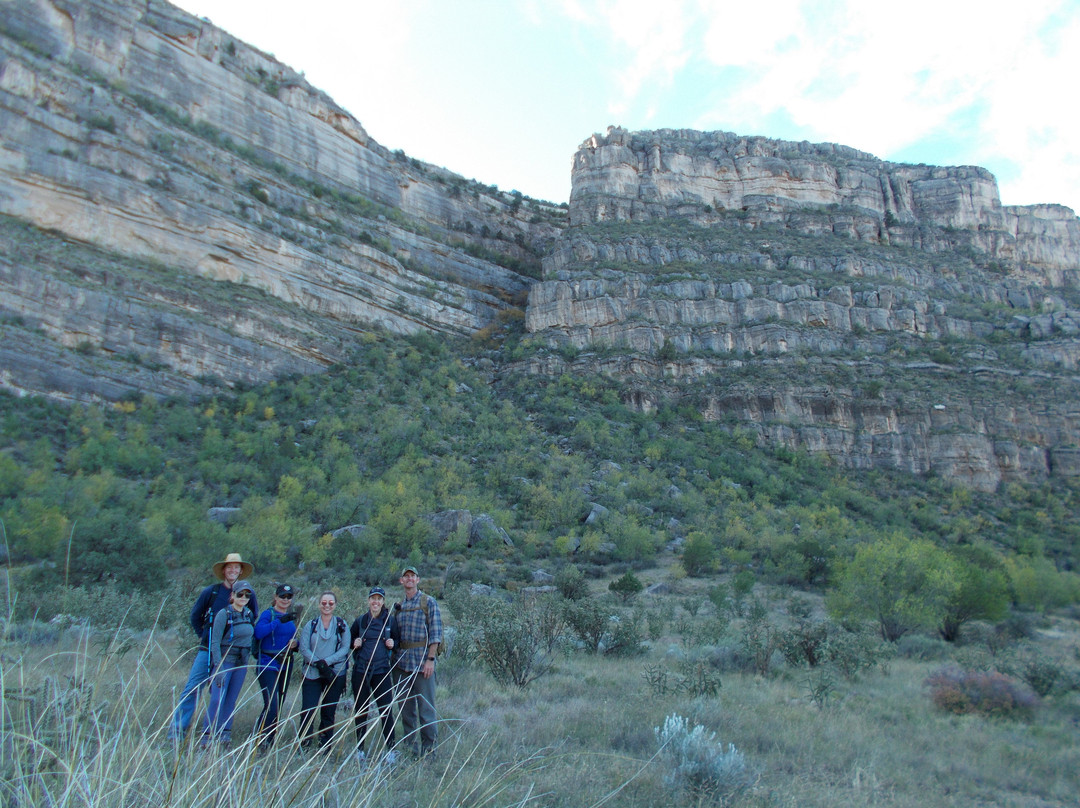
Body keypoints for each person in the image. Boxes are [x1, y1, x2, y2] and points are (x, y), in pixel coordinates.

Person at [169, 553, 258, 742]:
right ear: (224, 570)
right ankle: (177, 732)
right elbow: (195, 616)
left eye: (236, 568)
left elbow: (252, 616)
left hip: (232, 655)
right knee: (193, 688)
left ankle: (217, 734)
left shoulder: (248, 593)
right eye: (229, 567)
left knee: (221, 695)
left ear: (241, 571)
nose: (233, 571)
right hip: (207, 650)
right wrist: (203, 636)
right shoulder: (211, 592)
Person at [392, 565, 442, 759]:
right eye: (406, 576)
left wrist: (430, 659)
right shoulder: (399, 606)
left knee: (426, 711)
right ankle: (410, 751)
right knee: (406, 712)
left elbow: (436, 634)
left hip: (423, 665)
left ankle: (430, 752)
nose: (409, 579)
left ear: (418, 580)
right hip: (402, 665)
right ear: (401, 581)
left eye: (413, 576)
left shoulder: (428, 602)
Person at [203, 580, 255, 748]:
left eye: (247, 595)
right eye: (240, 594)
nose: (243, 597)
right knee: (217, 699)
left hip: (241, 663)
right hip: (225, 661)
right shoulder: (223, 614)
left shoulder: (248, 614)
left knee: (231, 699)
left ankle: (224, 735)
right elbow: (215, 642)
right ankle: (206, 738)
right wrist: (218, 667)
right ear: (232, 595)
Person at [350, 586, 398, 765]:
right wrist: (354, 643)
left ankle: (391, 750)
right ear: (369, 600)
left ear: (383, 601)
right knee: (361, 711)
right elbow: (350, 641)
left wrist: (393, 643)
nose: (375, 602)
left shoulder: (390, 621)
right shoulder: (360, 621)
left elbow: (398, 641)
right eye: (373, 598)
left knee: (385, 711)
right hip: (361, 671)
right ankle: (360, 750)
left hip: (382, 671)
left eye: (379, 599)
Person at [298, 590, 349, 752]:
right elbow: (304, 648)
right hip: (312, 673)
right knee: (308, 709)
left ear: (335, 605)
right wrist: (317, 663)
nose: (327, 606)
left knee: (328, 711)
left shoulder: (342, 625)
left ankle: (325, 745)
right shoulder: (311, 625)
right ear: (319, 604)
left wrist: (326, 663)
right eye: (324, 603)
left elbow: (345, 648)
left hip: (334, 673)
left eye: (331, 603)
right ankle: (304, 744)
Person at [253, 583, 302, 751]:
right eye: (282, 596)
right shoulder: (269, 614)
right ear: (275, 597)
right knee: (271, 704)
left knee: (278, 705)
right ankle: (261, 741)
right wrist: (277, 622)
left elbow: (292, 638)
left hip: (285, 664)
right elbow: (259, 632)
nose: (285, 600)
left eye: (289, 597)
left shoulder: (289, 617)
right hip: (267, 663)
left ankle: (269, 739)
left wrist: (295, 643)